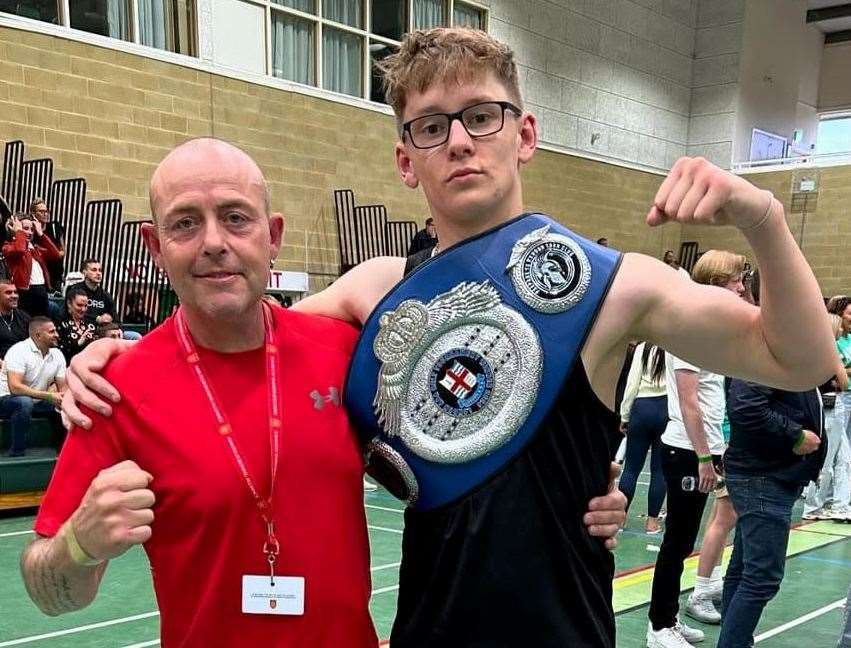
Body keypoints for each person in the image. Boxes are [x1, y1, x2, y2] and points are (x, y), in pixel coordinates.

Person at [60, 28, 834, 648]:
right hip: (426, 629)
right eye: (432, 127)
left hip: (562, 629)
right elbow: (239, 325)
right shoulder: (375, 291)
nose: (459, 141)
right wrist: (113, 354)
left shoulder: (615, 285)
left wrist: (762, 220)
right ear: (405, 159)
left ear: (523, 133)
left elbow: (799, 358)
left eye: (481, 116)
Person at [21, 139, 379, 647]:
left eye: (236, 218)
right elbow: (47, 592)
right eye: (185, 222)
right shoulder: (112, 390)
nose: (213, 242)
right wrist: (79, 545)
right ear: (154, 245)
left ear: (272, 235)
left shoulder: (347, 354)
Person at [717, 270, 827, 648]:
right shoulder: (767, 338)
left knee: (745, 569)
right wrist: (794, 434)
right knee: (761, 577)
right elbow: (746, 406)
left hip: (768, 476)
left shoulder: (780, 336)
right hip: (763, 477)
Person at [648, 251, 747, 645]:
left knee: (684, 538)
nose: (741, 288)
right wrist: (705, 457)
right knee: (677, 540)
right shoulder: (688, 333)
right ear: (717, 282)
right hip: (686, 450)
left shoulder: (709, 331)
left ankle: (668, 618)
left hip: (706, 448)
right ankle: (658, 626)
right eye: (735, 281)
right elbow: (689, 402)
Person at [803, 311, 851, 520]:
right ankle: (812, 506)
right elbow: (843, 382)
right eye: (838, 326)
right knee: (827, 458)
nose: (842, 329)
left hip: (833, 405)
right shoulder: (827, 352)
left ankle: (839, 504)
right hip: (830, 407)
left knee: (843, 458)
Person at [619, 341, 668, 534]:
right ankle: (652, 523)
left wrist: (625, 415)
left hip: (641, 408)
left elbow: (632, 383)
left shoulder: (643, 348)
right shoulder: (675, 347)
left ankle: (621, 518)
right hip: (666, 409)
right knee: (659, 470)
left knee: (631, 468)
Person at [0, 316, 65, 456]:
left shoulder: (57, 354)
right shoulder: (18, 351)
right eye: (52, 332)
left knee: (66, 403)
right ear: (38, 335)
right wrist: (48, 395)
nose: (57, 335)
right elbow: (15, 388)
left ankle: (64, 451)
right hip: (6, 399)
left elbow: (63, 387)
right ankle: (17, 452)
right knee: (24, 402)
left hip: (37, 400)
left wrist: (64, 399)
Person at [2, 213, 61, 317]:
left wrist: (41, 234)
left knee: (42, 326)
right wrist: (19, 232)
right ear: (13, 228)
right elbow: (20, 250)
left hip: (41, 292)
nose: (29, 232)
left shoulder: (35, 249)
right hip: (24, 293)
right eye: (25, 228)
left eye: (31, 229)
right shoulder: (8, 247)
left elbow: (56, 254)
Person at [29, 198, 65, 293]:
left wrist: (44, 251)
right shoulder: (31, 230)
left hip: (56, 274)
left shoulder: (54, 227)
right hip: (40, 276)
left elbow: (61, 252)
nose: (45, 214)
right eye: (41, 211)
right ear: (33, 213)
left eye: (46, 211)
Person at [66, 259, 116, 325]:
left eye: (100, 270)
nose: (98, 273)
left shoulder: (106, 295)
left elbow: (116, 318)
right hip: (79, 326)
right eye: (94, 270)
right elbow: (71, 312)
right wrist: (97, 319)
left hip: (101, 330)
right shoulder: (74, 289)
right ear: (84, 273)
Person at [57, 288, 97, 364]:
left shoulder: (91, 322)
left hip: (91, 364)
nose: (83, 309)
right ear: (69, 303)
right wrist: (78, 344)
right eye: (79, 305)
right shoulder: (60, 323)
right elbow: (59, 352)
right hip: (68, 365)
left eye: (85, 306)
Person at [0, 279, 31, 360]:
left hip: (21, 364)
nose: (14, 296)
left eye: (15, 292)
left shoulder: (24, 318)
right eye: (8, 292)